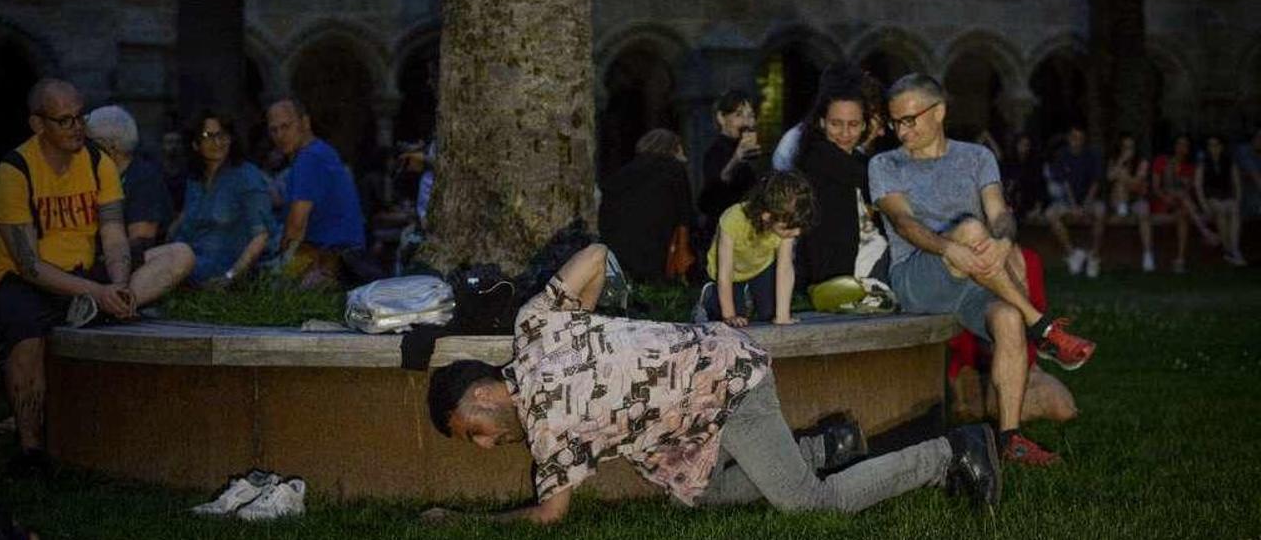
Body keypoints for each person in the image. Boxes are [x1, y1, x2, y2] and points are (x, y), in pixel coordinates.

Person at [422, 244, 1001, 524]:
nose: (483, 444)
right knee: (707, 491)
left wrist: (460, 521)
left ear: (483, 395)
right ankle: (831, 447)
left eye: (471, 432)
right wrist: (593, 327)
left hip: (730, 384)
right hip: (701, 396)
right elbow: (597, 255)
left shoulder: (550, 434)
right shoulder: (535, 324)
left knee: (808, 505)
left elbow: (549, 517)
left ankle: (953, 454)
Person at [869, 74, 1096, 466]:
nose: (901, 130)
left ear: (938, 112)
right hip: (917, 280)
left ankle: (1011, 439)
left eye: (910, 120)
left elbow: (1001, 215)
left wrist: (1003, 243)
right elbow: (905, 224)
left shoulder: (976, 157)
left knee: (1007, 317)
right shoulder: (885, 163)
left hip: (976, 279)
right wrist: (952, 247)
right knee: (973, 228)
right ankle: (1042, 328)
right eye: (895, 122)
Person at [0, 79, 193, 476]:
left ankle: (102, 306)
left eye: (80, 117)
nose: (77, 127)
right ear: (37, 124)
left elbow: (114, 234)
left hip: (83, 272)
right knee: (27, 333)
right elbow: (29, 264)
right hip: (21, 277)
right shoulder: (13, 172)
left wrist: (115, 282)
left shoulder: (99, 162)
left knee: (179, 254)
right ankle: (31, 450)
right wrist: (97, 290)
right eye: (65, 121)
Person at [948, 247, 1079, 424]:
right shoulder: (965, 258)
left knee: (1063, 408)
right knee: (974, 405)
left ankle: (1003, 403)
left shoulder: (1029, 259)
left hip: (1019, 361)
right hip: (972, 367)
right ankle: (983, 408)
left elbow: (1035, 323)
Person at [793, 66, 888, 290]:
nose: (845, 134)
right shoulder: (818, 157)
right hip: (844, 275)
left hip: (873, 261)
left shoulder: (857, 160)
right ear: (822, 122)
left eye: (853, 125)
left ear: (865, 124)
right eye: (836, 124)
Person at [266, 97, 366, 287]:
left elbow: (296, 226)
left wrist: (281, 266)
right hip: (344, 254)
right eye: (274, 129)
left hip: (330, 259)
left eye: (286, 126)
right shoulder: (321, 151)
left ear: (305, 122)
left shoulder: (309, 158)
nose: (280, 135)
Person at [169, 111, 275, 288]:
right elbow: (184, 224)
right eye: (208, 136)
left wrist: (230, 276)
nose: (217, 142)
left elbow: (261, 236)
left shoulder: (246, 176)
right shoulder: (195, 179)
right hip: (185, 261)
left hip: (222, 269)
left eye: (222, 135)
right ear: (196, 144)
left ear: (231, 139)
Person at [697, 172, 812, 327]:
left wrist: (782, 316)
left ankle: (749, 295)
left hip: (760, 267)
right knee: (736, 319)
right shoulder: (733, 219)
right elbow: (725, 272)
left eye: (798, 228)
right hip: (730, 273)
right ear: (767, 216)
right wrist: (729, 316)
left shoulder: (786, 222)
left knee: (768, 313)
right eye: (789, 228)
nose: (796, 233)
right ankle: (711, 298)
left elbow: (784, 268)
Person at [598, 128, 695, 283]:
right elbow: (685, 214)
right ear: (674, 148)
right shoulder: (674, 169)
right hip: (656, 246)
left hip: (621, 246)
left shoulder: (624, 172)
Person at [85, 105, 175, 257]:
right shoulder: (99, 176)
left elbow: (141, 242)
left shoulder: (144, 179)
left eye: (89, 142)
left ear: (111, 146)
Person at [1044, 126, 1107, 277]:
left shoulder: (1092, 155)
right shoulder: (1062, 155)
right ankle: (1072, 254)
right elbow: (1065, 184)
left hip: (1089, 200)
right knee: (1050, 214)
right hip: (1068, 201)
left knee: (1101, 211)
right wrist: (1074, 207)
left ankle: (1094, 256)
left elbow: (1095, 183)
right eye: (1073, 138)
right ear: (1069, 139)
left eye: (1079, 138)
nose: (1076, 142)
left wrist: (1085, 205)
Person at [1152, 134, 1218, 273]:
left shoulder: (1190, 167)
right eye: (1179, 144)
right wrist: (1166, 197)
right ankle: (1204, 231)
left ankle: (1180, 260)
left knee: (1183, 213)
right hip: (1163, 202)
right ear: (1173, 145)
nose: (1182, 148)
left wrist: (1182, 186)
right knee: (1182, 198)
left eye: (1185, 145)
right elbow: (1156, 188)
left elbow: (1187, 190)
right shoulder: (1162, 161)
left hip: (1182, 204)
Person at [699, 90, 761, 225]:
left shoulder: (753, 152)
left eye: (751, 116)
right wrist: (736, 159)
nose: (746, 122)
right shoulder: (715, 152)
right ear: (721, 118)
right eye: (738, 115)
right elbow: (715, 189)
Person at [1105, 133, 1156, 272]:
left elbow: (1137, 185)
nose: (1128, 150)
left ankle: (1147, 254)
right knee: (1119, 181)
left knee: (1144, 212)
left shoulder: (1142, 162)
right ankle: (1122, 207)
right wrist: (1121, 161)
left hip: (1135, 199)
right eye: (1125, 147)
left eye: (1131, 147)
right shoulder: (1115, 160)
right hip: (1117, 199)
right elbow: (1109, 177)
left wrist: (1123, 176)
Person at [1196, 135, 1246, 266]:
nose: (1214, 148)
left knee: (1234, 209)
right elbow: (1198, 186)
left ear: (1222, 146)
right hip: (1210, 198)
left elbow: (1237, 184)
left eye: (1216, 145)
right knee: (1221, 210)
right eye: (1210, 145)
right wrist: (1204, 205)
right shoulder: (1203, 164)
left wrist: (1238, 200)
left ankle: (1234, 249)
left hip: (1226, 196)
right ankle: (1228, 249)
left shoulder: (1229, 162)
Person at [1000, 134, 1047, 222]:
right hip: (1010, 204)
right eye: (1021, 144)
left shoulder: (1034, 165)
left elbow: (1040, 187)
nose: (1024, 148)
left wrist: (1038, 208)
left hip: (1029, 204)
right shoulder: (1008, 163)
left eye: (1027, 145)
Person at [1235, 127, 1261, 218]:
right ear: (1253, 138)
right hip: (1242, 191)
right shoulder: (1243, 150)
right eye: (1259, 137)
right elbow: (1256, 177)